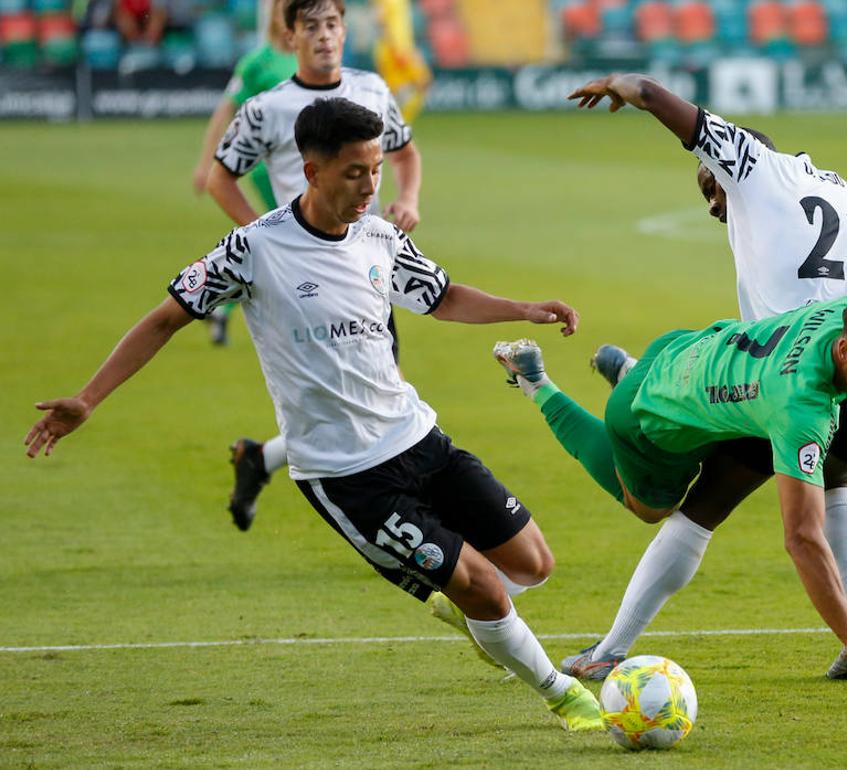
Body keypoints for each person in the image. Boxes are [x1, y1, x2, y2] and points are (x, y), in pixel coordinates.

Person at [24, 97, 601, 732]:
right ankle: (564, 696)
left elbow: (439, 297)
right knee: (485, 588)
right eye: (354, 171)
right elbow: (165, 318)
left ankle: (472, 616)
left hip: (417, 437)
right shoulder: (254, 249)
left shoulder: (380, 235)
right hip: (349, 474)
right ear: (312, 170)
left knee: (532, 565)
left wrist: (523, 307)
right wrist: (87, 398)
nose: (369, 185)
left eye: (376, 169)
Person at [544, 73, 847, 683]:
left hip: (784, 379)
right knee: (839, 480)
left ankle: (611, 647)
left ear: (727, 161)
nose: (712, 204)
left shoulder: (751, 166)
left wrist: (625, 86)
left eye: (710, 186)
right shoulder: (845, 191)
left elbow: (662, 101)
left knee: (701, 508)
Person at [494, 283, 847, 703]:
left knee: (721, 447)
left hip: (688, 349)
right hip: (647, 417)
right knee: (649, 506)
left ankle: (631, 368)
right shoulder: (800, 409)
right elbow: (802, 539)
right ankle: (537, 382)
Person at [206, 0, 425, 529]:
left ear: (346, 31)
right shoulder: (267, 108)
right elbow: (221, 178)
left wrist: (409, 199)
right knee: (356, 402)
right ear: (289, 36)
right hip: (302, 277)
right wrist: (264, 243)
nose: (324, 36)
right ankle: (401, 521)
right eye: (311, 27)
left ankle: (262, 460)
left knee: (372, 397)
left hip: (366, 268)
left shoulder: (371, 88)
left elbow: (405, 152)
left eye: (332, 25)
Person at [192, 0, 296, 346]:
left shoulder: (312, 59)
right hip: (270, 169)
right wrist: (205, 163)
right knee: (288, 243)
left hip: (309, 170)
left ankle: (216, 300)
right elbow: (225, 111)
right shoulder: (257, 63)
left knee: (277, 245)